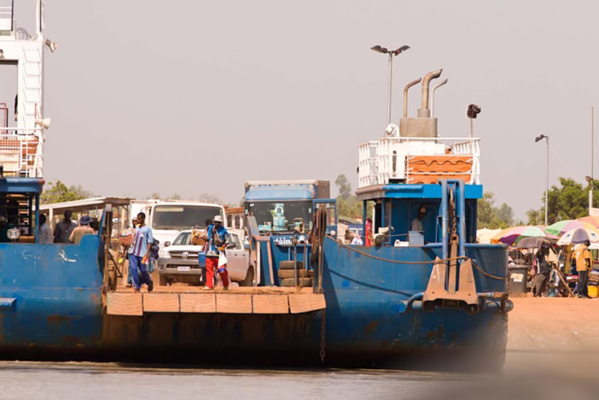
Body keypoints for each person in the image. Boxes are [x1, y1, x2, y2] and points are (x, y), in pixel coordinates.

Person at [128, 212, 154, 293]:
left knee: (143, 270)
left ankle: (149, 282)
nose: (137, 220)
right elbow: (130, 236)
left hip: (142, 253)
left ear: (143, 219)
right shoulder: (136, 228)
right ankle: (136, 287)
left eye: (139, 219)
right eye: (137, 219)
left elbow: (150, 241)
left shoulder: (147, 229)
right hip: (133, 253)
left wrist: (147, 252)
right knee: (133, 268)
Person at [204, 215, 230, 290]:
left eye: (218, 222)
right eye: (216, 222)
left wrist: (224, 246)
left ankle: (226, 284)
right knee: (209, 270)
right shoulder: (210, 228)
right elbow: (207, 238)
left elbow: (227, 241)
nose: (217, 224)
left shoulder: (224, 231)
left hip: (219, 254)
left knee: (222, 270)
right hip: (209, 252)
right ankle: (209, 285)